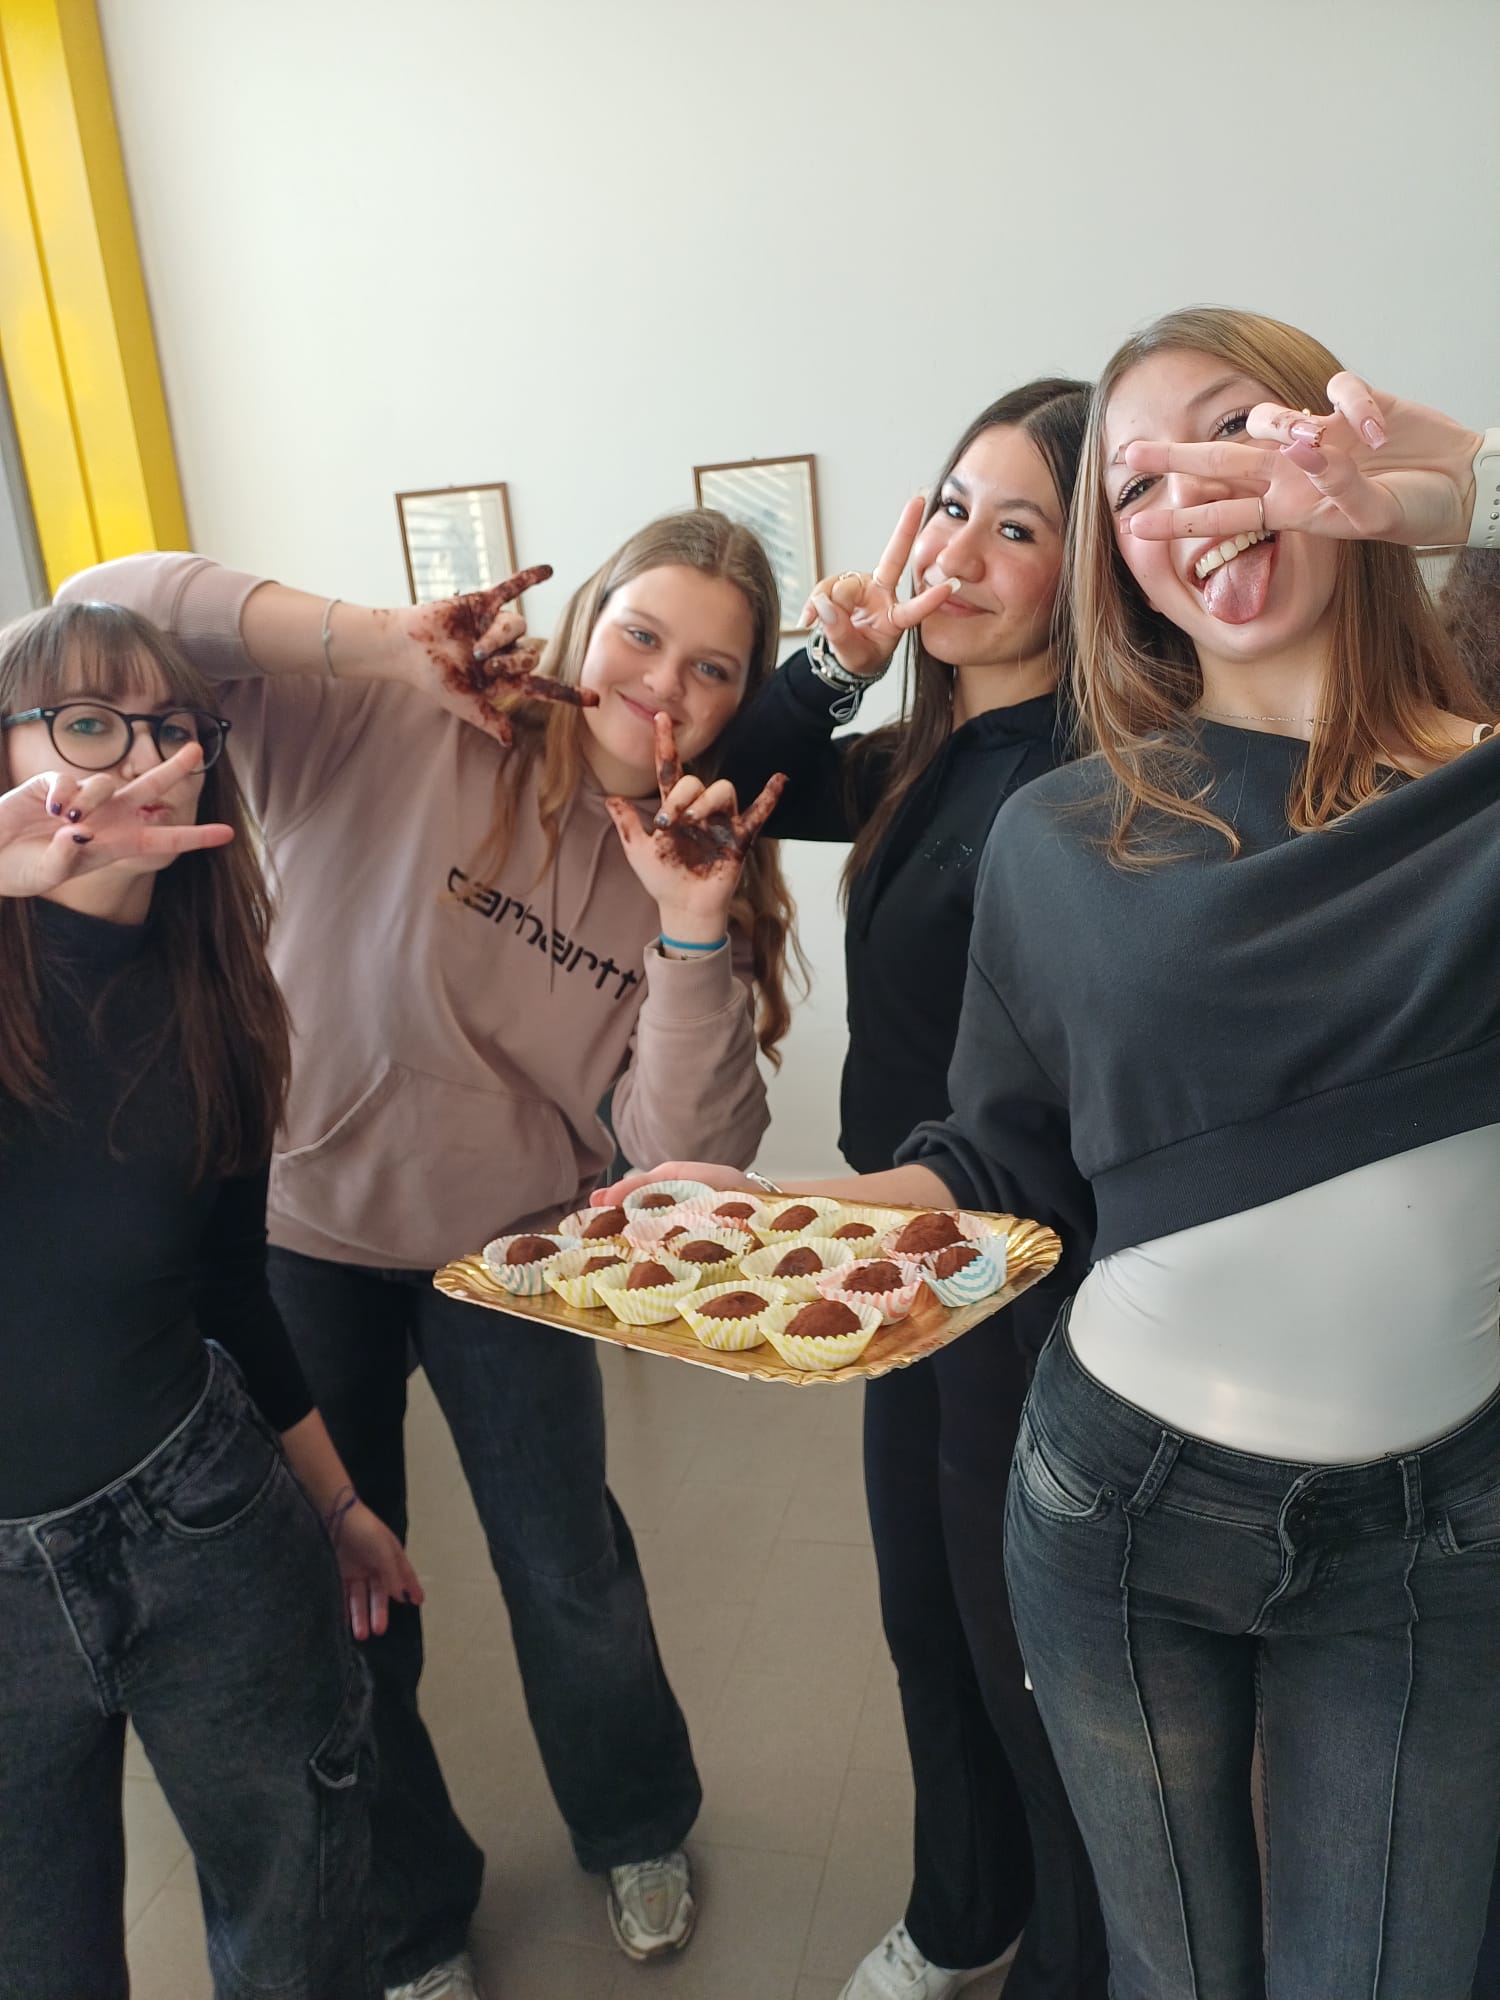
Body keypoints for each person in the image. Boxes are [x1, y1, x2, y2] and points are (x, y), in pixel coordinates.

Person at [600, 307, 1500, 1998]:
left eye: (1235, 430)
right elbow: (997, 1153)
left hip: (1440, 1527)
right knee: (1168, 1964)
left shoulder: (1475, 790)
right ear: (1121, 565)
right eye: (1137, 485)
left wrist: (1462, 487)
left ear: (1338, 441)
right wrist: (785, 1215)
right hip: (1121, 1507)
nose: (1193, 495)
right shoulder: (1070, 826)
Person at [59, 511, 796, 2000]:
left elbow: (682, 1155)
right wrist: (377, 641)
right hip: (295, 1239)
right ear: (588, 621)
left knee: (567, 1569)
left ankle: (637, 1825)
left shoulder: (692, 855)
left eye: (712, 670)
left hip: (514, 1261)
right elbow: (104, 613)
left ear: (738, 702)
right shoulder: (396, 718)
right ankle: (409, 1915)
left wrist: (690, 931)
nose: (664, 684)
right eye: (643, 634)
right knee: (350, 1588)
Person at [705, 379, 1107, 2000]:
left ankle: (1076, 1956)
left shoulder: (1087, 778)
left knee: (1026, 1666)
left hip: (1019, 1278)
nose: (961, 552)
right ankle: (962, 1916)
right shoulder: (929, 753)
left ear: (1086, 576)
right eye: (952, 507)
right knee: (926, 1620)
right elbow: (725, 781)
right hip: (903, 1268)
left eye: (1018, 529)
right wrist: (836, 661)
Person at [0, 600, 420, 2000]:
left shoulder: (222, 1005)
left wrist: (340, 1508)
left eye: (171, 728)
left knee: (302, 1922)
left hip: (203, 1522)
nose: (138, 759)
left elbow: (232, 1286)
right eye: (85, 722)